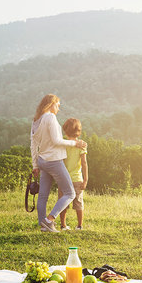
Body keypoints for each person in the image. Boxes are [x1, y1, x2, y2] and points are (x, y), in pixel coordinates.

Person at [30, 94, 87, 233]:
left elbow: (33, 143)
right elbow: (56, 140)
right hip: (53, 161)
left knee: (43, 195)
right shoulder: (50, 117)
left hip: (42, 161)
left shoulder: (36, 120)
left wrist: (35, 165)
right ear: (51, 104)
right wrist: (76, 143)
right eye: (58, 105)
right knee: (70, 193)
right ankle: (49, 221)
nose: (58, 109)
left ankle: (42, 224)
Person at [58, 118, 88, 230]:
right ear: (79, 131)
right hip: (77, 179)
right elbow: (84, 163)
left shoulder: (63, 144)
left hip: (63, 179)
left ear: (65, 130)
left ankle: (63, 225)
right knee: (79, 203)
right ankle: (79, 226)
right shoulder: (82, 145)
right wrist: (85, 180)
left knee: (62, 202)